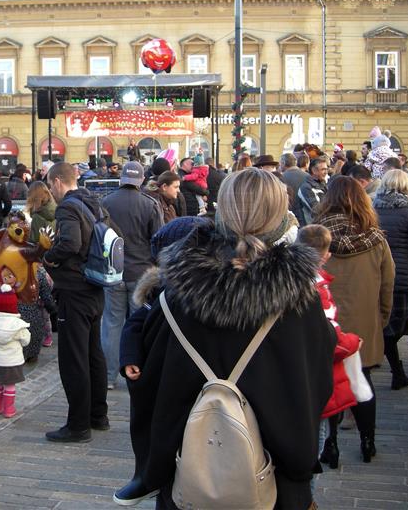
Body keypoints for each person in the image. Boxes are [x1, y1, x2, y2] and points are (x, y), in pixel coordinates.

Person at [117, 169, 334, 509]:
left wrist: (152, 463)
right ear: (279, 216)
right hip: (276, 482)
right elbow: (316, 386)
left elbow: (149, 384)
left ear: (221, 212)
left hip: (191, 478)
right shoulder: (300, 301)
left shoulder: (177, 297)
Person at [314, 176, 394, 463]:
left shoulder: (318, 238)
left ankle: (331, 443)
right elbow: (388, 283)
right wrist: (381, 318)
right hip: (365, 321)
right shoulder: (376, 239)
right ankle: (367, 441)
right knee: (364, 379)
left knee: (330, 381)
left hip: (327, 320)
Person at [42, 161, 110, 443]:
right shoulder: (95, 203)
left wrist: (49, 258)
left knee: (74, 358)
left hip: (74, 288)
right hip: (95, 286)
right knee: (94, 353)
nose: (50, 192)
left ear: (58, 181)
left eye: (49, 185)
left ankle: (78, 425)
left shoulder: (68, 207)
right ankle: (98, 415)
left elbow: (69, 243)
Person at [297, 225, 361, 475]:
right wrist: (353, 342)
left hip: (308, 370)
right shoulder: (315, 286)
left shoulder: (303, 279)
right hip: (318, 374)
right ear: (325, 255)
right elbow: (326, 337)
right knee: (314, 443)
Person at [101, 161, 163, 390]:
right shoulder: (149, 204)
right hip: (141, 273)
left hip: (113, 272)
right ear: (141, 181)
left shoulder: (106, 202)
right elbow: (158, 240)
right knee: (140, 325)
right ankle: (138, 371)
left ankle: (108, 376)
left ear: (122, 179)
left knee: (111, 323)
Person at [372, 169, 408, 389]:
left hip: (379, 272)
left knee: (386, 323)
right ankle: (396, 370)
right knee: (398, 326)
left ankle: (395, 369)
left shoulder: (374, 206)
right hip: (402, 276)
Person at [0, 277, 31, 418]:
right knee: (10, 386)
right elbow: (26, 340)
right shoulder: (18, 325)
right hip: (12, 362)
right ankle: (9, 409)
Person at [294, 156, 328, 226]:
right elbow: (317, 210)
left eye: (326, 169)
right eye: (323, 169)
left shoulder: (323, 184)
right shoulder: (306, 188)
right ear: (314, 170)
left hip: (321, 226)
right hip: (312, 229)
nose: (326, 172)